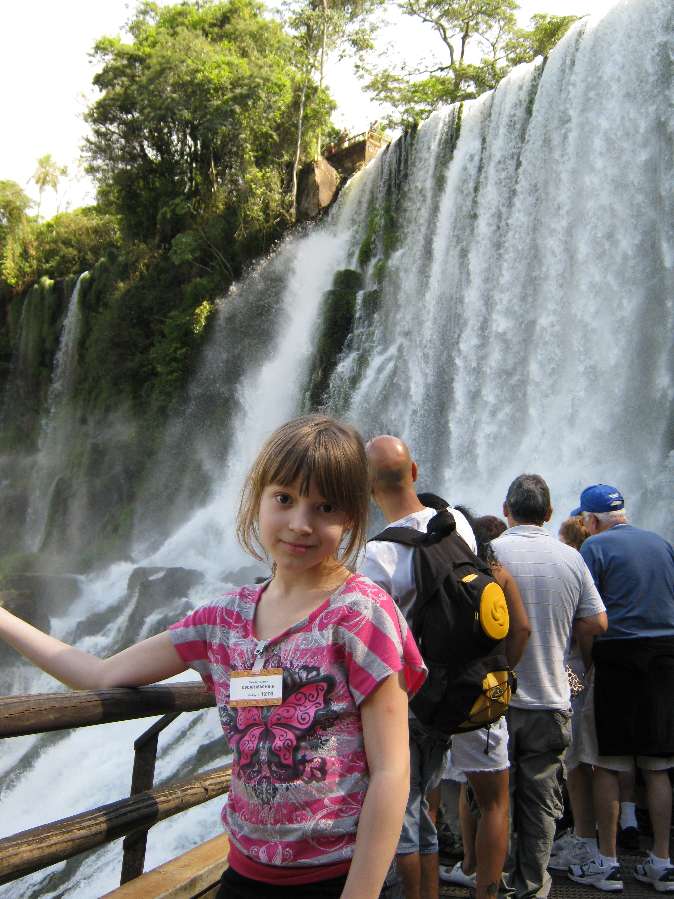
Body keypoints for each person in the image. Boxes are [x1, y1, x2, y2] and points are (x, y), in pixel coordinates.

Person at [0, 415, 427, 899]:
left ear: (350, 516)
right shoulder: (223, 619)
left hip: (339, 877)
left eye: (324, 507)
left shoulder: (361, 613)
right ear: (258, 498)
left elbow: (392, 770)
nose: (300, 523)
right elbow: (99, 673)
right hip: (245, 874)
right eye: (284, 499)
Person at [360, 435, 476, 899]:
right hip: (453, 691)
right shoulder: (458, 525)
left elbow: (369, 635)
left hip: (407, 698)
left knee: (401, 814)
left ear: (368, 488)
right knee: (421, 802)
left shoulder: (377, 556)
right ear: (414, 472)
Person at [491, 474, 607, 899]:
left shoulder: (490, 552)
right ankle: (534, 887)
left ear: (506, 509)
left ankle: (497, 883)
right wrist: (569, 651)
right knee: (541, 803)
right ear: (550, 513)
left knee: (494, 799)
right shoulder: (571, 557)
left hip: (497, 700)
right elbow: (598, 621)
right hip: (552, 698)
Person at [568, 484, 674, 894]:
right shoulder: (661, 543)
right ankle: (662, 861)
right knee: (658, 765)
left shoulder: (594, 548)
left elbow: (587, 618)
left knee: (608, 762)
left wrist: (588, 666)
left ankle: (608, 863)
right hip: (664, 656)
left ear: (592, 520)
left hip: (617, 654)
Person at [440, 513, 532, 899]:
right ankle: (487, 890)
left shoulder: (436, 573)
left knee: (429, 792)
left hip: (439, 693)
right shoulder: (497, 575)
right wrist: (505, 669)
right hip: (487, 690)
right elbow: (523, 628)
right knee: (494, 800)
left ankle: (442, 875)